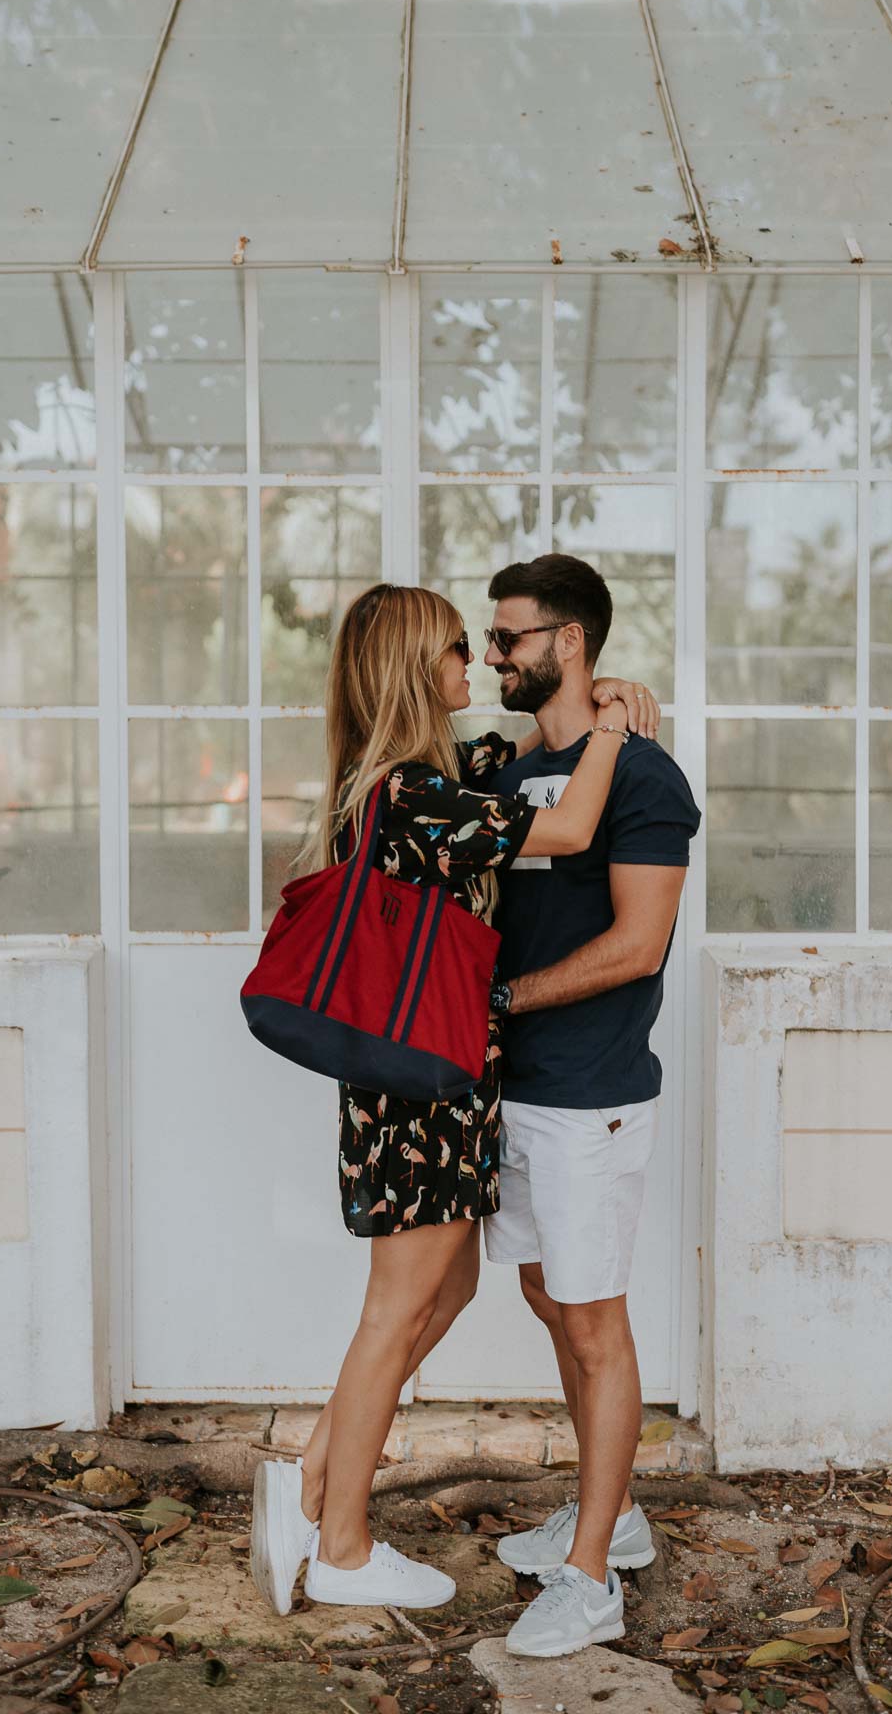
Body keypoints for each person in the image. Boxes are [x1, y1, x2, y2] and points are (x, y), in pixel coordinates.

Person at [250, 582, 660, 1615]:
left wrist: (588, 690)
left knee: (444, 1296)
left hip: (431, 1083)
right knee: (396, 1313)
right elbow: (565, 828)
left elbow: (516, 764)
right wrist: (611, 728)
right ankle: (340, 1540)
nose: (470, 664)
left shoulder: (438, 777)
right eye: (451, 650)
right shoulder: (410, 796)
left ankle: (305, 1486)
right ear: (408, 667)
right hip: (418, 1087)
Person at [481, 554, 701, 1659]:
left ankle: (590, 1578)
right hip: (513, 1087)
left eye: (509, 636)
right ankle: (612, 1515)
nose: (491, 653)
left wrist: (504, 997)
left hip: (588, 1095)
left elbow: (636, 943)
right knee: (546, 1290)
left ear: (567, 641)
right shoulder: (524, 761)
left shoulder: (646, 777)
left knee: (596, 1319)